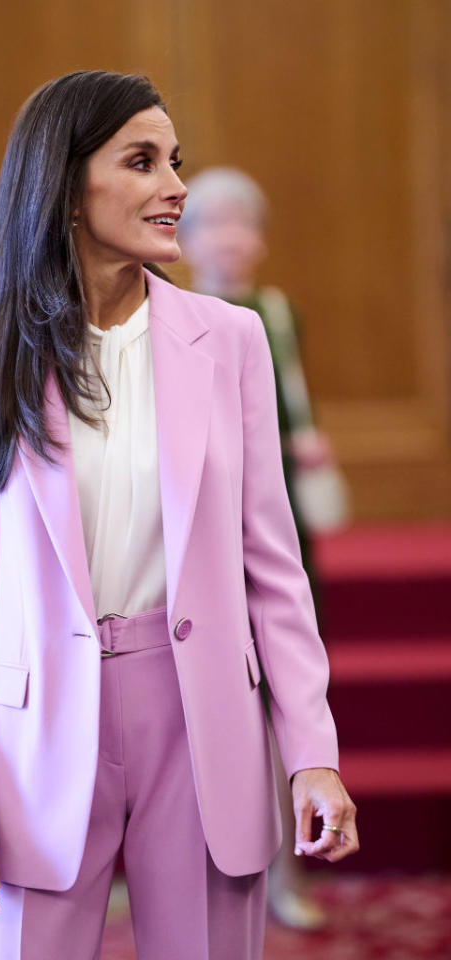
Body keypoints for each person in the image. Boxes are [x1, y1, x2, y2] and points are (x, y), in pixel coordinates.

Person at [0, 71, 358, 960]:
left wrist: (312, 751)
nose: (177, 186)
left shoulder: (231, 340)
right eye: (142, 161)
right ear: (67, 186)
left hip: (201, 718)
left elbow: (274, 572)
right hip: (36, 734)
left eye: (175, 160)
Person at [179, 165, 345, 929]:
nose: (231, 238)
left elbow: (290, 401)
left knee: (287, 700)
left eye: (244, 223)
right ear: (184, 240)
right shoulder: (172, 316)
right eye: (214, 223)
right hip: (201, 534)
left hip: (274, 529)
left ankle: (286, 876)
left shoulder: (278, 314)